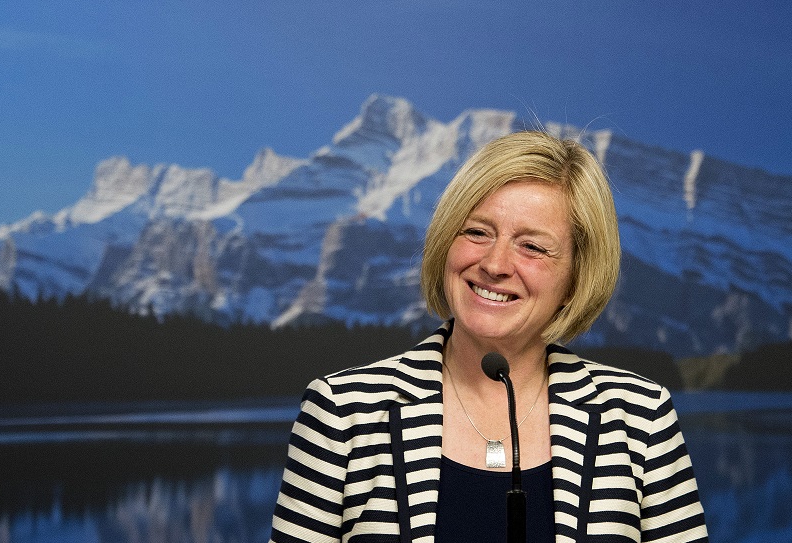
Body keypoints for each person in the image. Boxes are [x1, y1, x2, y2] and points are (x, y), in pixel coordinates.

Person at [269, 131, 708, 542]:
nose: (496, 264)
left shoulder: (638, 418)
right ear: (445, 243)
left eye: (532, 246)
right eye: (477, 232)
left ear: (576, 277)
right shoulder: (343, 414)